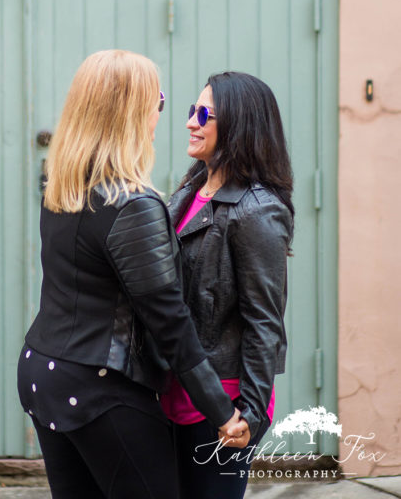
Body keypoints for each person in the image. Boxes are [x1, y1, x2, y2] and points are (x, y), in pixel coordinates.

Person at [18, 49, 245, 499]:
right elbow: (169, 321)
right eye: (157, 102)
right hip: (101, 390)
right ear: (134, 110)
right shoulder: (133, 205)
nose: (161, 115)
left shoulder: (62, 187)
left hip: (42, 372)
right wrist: (221, 411)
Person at [161, 71, 295, 499]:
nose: (190, 122)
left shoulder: (257, 210)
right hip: (178, 385)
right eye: (191, 111)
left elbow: (264, 320)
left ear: (237, 125)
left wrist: (251, 415)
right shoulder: (190, 189)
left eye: (204, 114)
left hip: (223, 401)